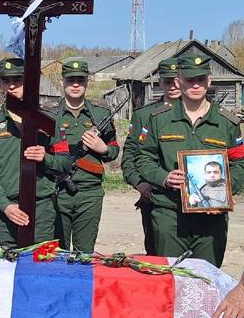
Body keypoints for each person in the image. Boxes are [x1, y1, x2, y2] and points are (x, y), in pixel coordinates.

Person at [137, 53, 244, 267]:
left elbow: (239, 164)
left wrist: (224, 195)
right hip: (170, 215)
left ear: (209, 81)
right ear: (179, 81)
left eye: (201, 79)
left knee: (206, 282)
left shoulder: (227, 123)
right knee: (170, 280)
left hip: (211, 219)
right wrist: (164, 177)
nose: (195, 85)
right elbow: (144, 158)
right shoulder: (159, 119)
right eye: (189, 79)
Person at [0, 58, 70, 248]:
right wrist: (5, 206)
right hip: (3, 212)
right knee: (3, 272)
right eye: (6, 81)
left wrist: (46, 159)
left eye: (17, 80)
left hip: (40, 210)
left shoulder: (49, 122)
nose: (11, 86)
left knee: (40, 269)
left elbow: (65, 163)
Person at [50, 60, 119, 253]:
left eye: (80, 80)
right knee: (56, 253)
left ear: (87, 82)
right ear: (62, 80)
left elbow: (114, 150)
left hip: (90, 194)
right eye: (70, 79)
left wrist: (102, 148)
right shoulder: (50, 114)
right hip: (58, 192)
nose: (75, 84)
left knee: (84, 253)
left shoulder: (100, 114)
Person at [121, 57, 180, 255]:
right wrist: (140, 183)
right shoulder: (144, 115)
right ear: (160, 83)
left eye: (176, 80)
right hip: (155, 197)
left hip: (195, 204)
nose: (172, 86)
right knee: (158, 257)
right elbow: (129, 155)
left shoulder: (198, 113)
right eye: (167, 81)